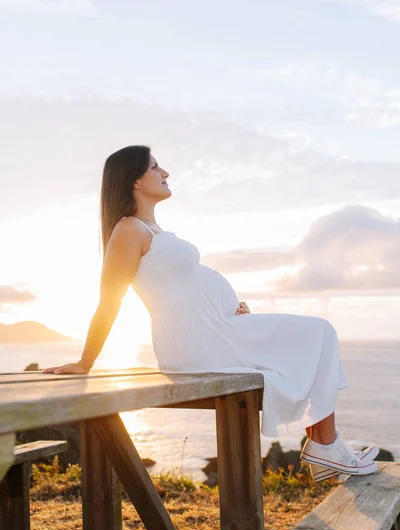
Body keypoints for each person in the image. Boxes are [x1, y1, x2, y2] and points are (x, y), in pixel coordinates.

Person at [43, 145, 379, 482]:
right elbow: (109, 300)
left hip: (218, 330)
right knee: (318, 332)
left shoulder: (152, 230)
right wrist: (85, 362)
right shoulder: (129, 230)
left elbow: (183, 288)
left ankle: (325, 446)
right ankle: (326, 447)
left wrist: (228, 309)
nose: (166, 173)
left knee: (316, 336)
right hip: (194, 345)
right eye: (156, 167)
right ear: (134, 181)